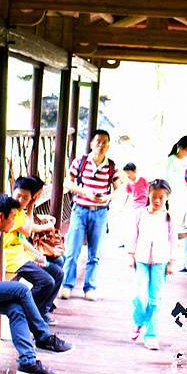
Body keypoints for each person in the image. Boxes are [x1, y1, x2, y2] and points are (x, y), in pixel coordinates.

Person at [0, 194, 72, 374]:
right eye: (13, 217)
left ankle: (27, 361)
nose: (15, 222)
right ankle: (43, 336)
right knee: (21, 290)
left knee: (16, 308)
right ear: (1, 217)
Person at [60, 129, 121, 301]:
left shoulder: (111, 166)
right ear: (92, 143)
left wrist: (107, 197)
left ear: (108, 145)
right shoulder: (80, 161)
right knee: (72, 250)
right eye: (98, 141)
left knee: (95, 254)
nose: (101, 145)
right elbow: (67, 183)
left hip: (100, 213)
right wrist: (85, 192)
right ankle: (67, 285)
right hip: (80, 210)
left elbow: (118, 190)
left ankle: (90, 287)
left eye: (104, 142)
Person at [4, 176, 64, 325]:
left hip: (20, 255)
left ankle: (40, 312)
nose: (20, 200)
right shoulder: (11, 211)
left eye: (25, 198)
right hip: (10, 258)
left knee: (57, 273)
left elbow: (21, 239)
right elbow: (27, 231)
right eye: (18, 195)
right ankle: (27, 313)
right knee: (47, 281)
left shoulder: (19, 212)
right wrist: (30, 206)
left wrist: (37, 255)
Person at [128, 179, 177, 351]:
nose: (157, 201)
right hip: (141, 259)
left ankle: (151, 335)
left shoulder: (169, 217)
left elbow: (173, 241)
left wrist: (171, 262)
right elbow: (133, 235)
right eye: (154, 197)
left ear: (167, 197)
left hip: (160, 262)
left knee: (155, 299)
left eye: (161, 198)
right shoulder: (140, 214)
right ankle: (139, 321)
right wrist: (130, 256)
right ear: (148, 195)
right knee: (140, 296)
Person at [165, 135, 187, 272]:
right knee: (171, 229)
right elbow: (167, 180)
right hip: (172, 199)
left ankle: (180, 261)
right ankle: (168, 259)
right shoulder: (171, 160)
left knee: (181, 229)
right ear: (181, 147)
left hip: (183, 199)